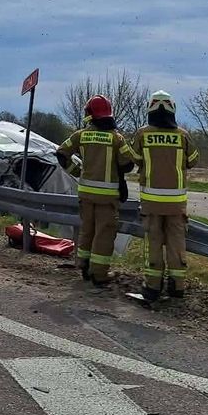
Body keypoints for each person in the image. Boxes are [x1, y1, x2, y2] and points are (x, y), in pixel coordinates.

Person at [56, 94, 139, 287]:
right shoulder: (116, 138)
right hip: (107, 197)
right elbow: (127, 164)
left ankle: (84, 265)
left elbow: (61, 153)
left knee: (87, 230)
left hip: (85, 193)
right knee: (104, 233)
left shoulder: (81, 135)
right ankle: (99, 274)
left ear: (90, 114)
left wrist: (76, 171)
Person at [131, 91, 199, 301]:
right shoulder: (183, 135)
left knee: (154, 242)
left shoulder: (142, 134)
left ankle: (152, 287)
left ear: (150, 109)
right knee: (176, 243)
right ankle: (176, 287)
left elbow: (135, 159)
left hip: (151, 202)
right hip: (176, 204)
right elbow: (193, 160)